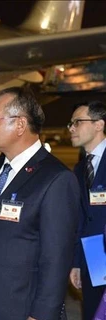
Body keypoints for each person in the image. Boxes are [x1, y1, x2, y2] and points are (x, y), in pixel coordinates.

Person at [0, 86, 80, 320]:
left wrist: (42, 313)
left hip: (22, 308)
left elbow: (56, 259)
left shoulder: (56, 178)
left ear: (20, 125)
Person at [67, 100, 106, 320]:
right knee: (94, 313)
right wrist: (76, 262)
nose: (71, 128)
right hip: (93, 254)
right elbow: (81, 218)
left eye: (78, 122)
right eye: (71, 123)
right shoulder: (80, 168)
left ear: (99, 125)